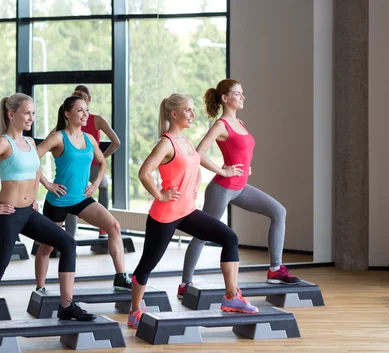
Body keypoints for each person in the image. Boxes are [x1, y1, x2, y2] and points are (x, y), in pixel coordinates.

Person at [127, 93, 258, 329]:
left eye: (193, 109)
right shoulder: (166, 142)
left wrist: (207, 180)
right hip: (165, 214)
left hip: (187, 211)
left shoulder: (186, 141)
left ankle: (231, 297)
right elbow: (144, 172)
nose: (193, 114)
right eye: (188, 110)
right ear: (174, 114)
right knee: (148, 264)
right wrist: (160, 194)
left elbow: (195, 163)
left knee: (229, 238)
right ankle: (135, 310)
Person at [0, 93, 96, 322]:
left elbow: (34, 168)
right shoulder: (3, 142)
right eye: (27, 113)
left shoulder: (29, 142)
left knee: (68, 243)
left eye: (33, 113)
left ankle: (67, 305)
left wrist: (44, 187)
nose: (31, 118)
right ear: (12, 114)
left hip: (29, 212)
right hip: (7, 214)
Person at [179, 79, 299, 297]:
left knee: (278, 211)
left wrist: (246, 167)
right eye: (237, 94)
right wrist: (223, 171)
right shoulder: (220, 125)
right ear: (225, 98)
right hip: (222, 188)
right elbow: (198, 153)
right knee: (203, 234)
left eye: (242, 93)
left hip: (241, 187)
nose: (242, 97)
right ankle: (185, 283)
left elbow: (241, 153)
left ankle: (275, 270)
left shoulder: (240, 123)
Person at [35, 95, 131, 291]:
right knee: (46, 247)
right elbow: (31, 158)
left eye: (86, 110)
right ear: (67, 114)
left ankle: (121, 276)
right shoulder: (58, 137)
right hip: (58, 200)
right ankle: (40, 288)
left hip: (82, 198)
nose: (85, 114)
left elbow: (103, 162)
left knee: (113, 226)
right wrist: (47, 184)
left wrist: (95, 183)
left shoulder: (89, 139)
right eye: (80, 110)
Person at [64, 85, 120, 238]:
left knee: (72, 196)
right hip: (92, 165)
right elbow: (116, 142)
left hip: (81, 166)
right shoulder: (97, 119)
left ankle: (70, 235)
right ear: (90, 99)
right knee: (102, 186)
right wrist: (100, 157)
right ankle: (103, 230)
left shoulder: (68, 119)